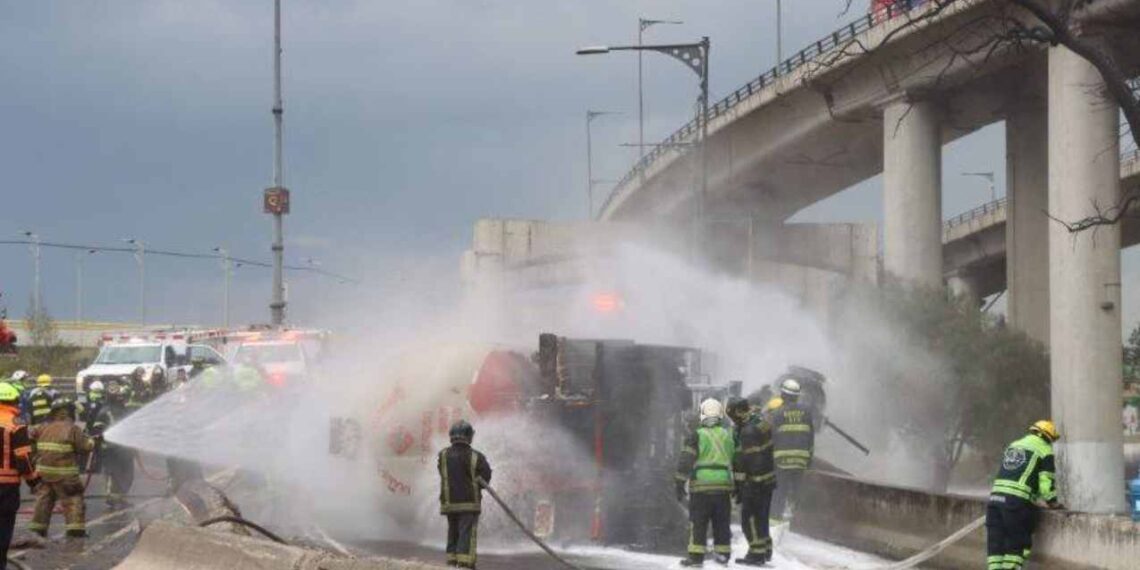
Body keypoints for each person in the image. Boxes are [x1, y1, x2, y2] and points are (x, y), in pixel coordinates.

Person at [986, 420, 1063, 570]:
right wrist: (1052, 501)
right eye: (1051, 440)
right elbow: (1046, 481)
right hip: (1015, 503)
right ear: (1047, 437)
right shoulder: (1045, 450)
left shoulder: (1015, 444)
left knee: (996, 544)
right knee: (1018, 543)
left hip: (995, 500)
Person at [676, 398, 735, 567]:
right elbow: (735, 458)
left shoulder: (697, 435)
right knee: (722, 522)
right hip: (723, 487)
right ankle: (723, 554)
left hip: (701, 487)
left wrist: (679, 482)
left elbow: (686, 460)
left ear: (702, 415)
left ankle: (696, 558)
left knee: (698, 522)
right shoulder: (727, 435)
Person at [29, 399, 94, 538]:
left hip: (43, 473)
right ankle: (75, 530)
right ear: (70, 412)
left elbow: (31, 445)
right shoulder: (72, 428)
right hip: (65, 475)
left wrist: (36, 460)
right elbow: (85, 446)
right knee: (73, 499)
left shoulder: (42, 427)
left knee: (43, 501)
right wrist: (94, 441)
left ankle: (38, 529)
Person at [727, 396, 776, 566]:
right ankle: (766, 549)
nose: (733, 420)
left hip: (755, 482)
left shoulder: (748, 432)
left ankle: (756, 554)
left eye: (733, 415)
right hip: (767, 480)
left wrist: (742, 486)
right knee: (762, 517)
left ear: (740, 411)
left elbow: (748, 460)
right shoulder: (760, 422)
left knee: (749, 519)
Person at [438, 420, 492, 569]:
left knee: (453, 531)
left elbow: (443, 473)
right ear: (469, 436)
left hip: (449, 503)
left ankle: (451, 562)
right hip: (469, 503)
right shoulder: (476, 456)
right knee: (467, 533)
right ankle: (465, 564)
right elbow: (486, 478)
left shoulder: (443, 455)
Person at [0, 382, 38, 567]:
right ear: (14, 401)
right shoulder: (16, 425)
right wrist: (34, 481)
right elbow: (24, 459)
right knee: (3, 527)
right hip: (6, 488)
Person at [769, 378, 814, 521]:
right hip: (801, 460)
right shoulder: (807, 413)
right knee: (798, 492)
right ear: (797, 396)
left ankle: (774, 523)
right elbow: (811, 439)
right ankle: (800, 522)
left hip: (781, 461)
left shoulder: (777, 414)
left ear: (783, 395)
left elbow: (770, 439)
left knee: (779, 493)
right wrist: (808, 460)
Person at [94, 382, 135, 509]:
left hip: (124, 449)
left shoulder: (125, 410)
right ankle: (112, 498)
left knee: (127, 474)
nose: (120, 397)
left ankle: (121, 498)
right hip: (111, 450)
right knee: (113, 474)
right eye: (117, 395)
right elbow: (97, 431)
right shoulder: (104, 411)